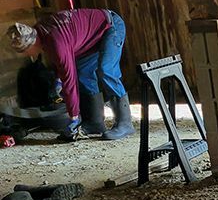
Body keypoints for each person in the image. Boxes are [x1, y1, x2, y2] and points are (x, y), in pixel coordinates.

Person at [5, 9, 134, 142]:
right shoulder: (41, 32)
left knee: (106, 70)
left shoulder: (56, 42)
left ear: (30, 45)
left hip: (110, 26)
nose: (28, 55)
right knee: (84, 74)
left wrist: (73, 116)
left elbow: (69, 79)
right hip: (89, 39)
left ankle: (125, 123)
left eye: (25, 51)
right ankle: (94, 123)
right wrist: (58, 79)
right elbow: (59, 61)